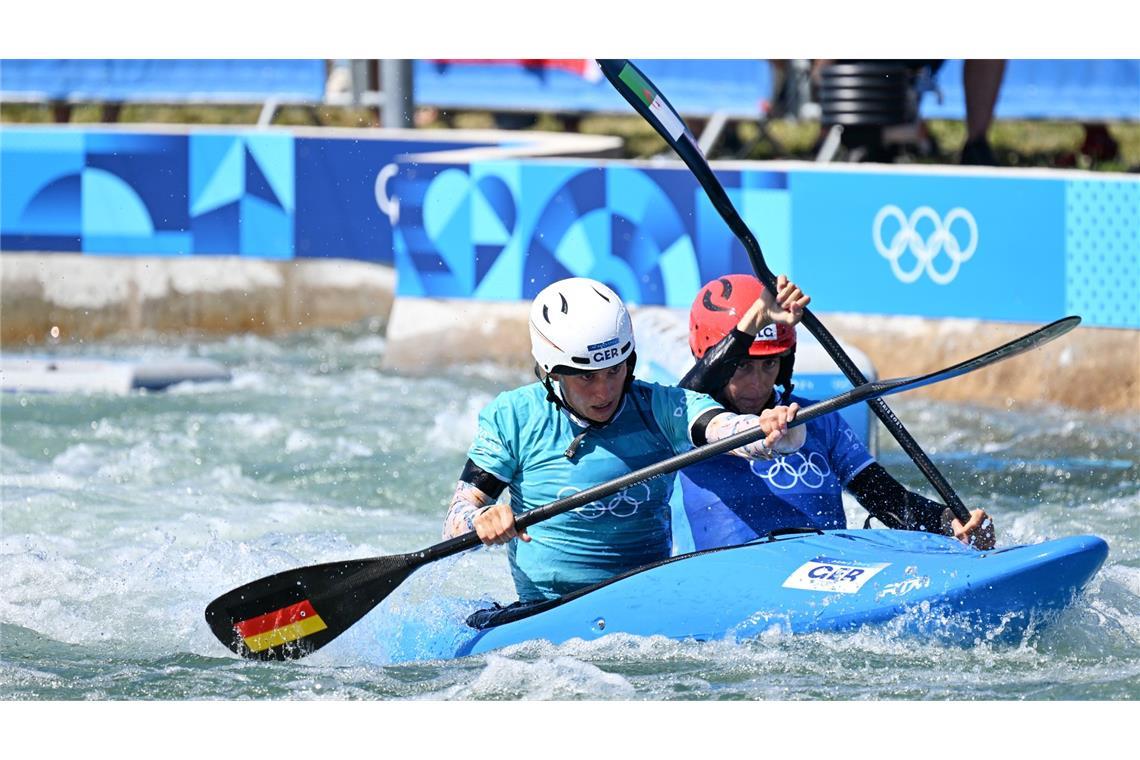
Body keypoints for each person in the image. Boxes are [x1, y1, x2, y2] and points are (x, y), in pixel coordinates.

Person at [442, 276, 807, 620]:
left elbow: (723, 429)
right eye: (586, 377)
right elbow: (457, 519)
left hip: (643, 602)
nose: (604, 391)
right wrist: (480, 522)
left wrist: (771, 432)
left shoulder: (661, 406)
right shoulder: (512, 416)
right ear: (552, 372)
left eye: (615, 371)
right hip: (546, 611)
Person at [675, 273, 995, 551]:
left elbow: (885, 497)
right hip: (729, 577)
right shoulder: (679, 421)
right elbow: (684, 397)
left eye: (769, 364)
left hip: (823, 569)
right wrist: (751, 323)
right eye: (743, 366)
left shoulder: (820, 419)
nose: (758, 383)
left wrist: (948, 522)